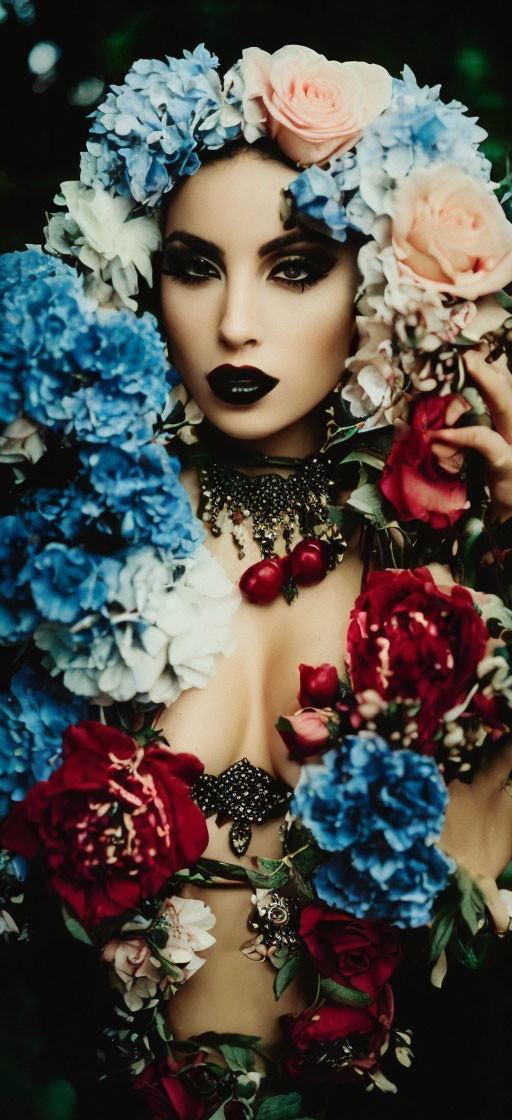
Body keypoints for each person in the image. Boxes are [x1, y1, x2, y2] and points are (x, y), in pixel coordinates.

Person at [1, 43, 512, 1120]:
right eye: (194, 265)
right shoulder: (66, 542)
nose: (235, 322)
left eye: (293, 266)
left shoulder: (447, 564)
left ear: (376, 277)